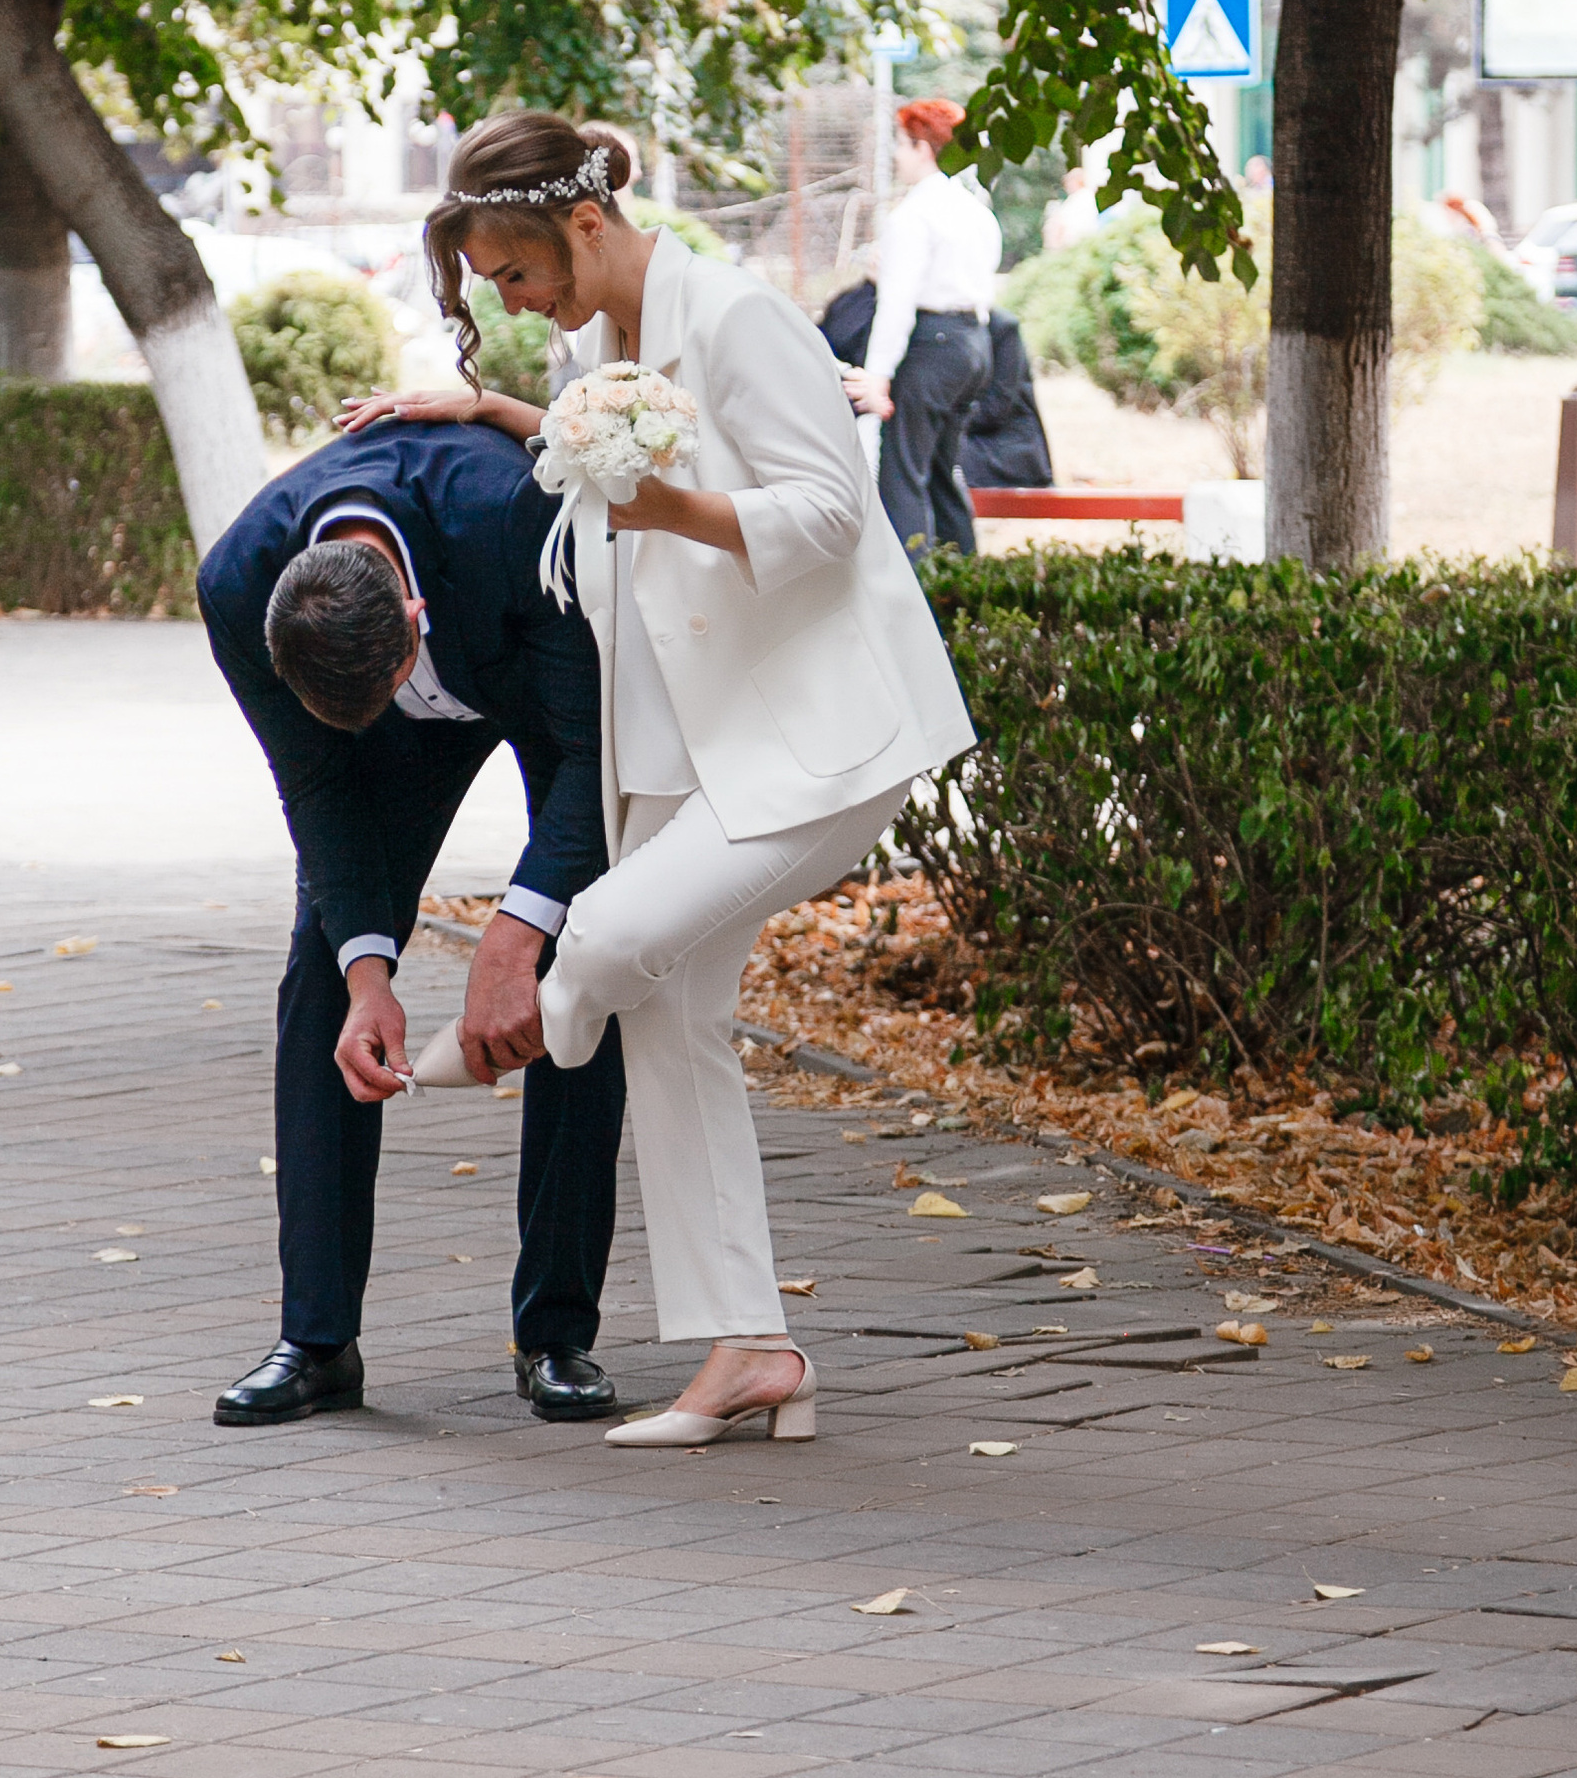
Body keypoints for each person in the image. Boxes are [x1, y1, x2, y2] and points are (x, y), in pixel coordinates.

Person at [347, 115, 973, 1451]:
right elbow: (594, 463)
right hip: (691, 746)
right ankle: (752, 1350)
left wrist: (667, 504)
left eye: (514, 274)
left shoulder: (739, 322)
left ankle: (514, 1032)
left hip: (813, 742)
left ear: (583, 226)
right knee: (676, 1026)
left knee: (615, 941)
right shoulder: (595, 346)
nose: (510, 304)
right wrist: (501, 412)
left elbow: (829, 510)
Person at [195, 419, 624, 1429]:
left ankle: (555, 1333)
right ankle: (315, 1338)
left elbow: (595, 753)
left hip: (537, 679)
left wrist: (513, 937)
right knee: (321, 970)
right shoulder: (235, 585)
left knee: (578, 959)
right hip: (387, 695)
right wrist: (367, 974)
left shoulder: (521, 520)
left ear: (414, 613)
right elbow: (316, 786)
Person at [841, 96, 1003, 558]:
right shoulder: (976, 212)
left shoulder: (912, 215)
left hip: (931, 347)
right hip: (974, 344)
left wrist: (877, 376)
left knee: (902, 474)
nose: (895, 155)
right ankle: (967, 591)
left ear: (923, 148)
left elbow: (897, 304)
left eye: (901, 144)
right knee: (940, 470)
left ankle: (909, 599)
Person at [821, 280, 1053, 495]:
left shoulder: (1001, 328)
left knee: (907, 460)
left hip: (998, 449)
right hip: (947, 436)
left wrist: (925, 417)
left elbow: (994, 410)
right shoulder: (892, 319)